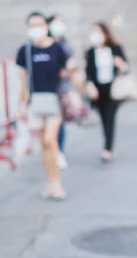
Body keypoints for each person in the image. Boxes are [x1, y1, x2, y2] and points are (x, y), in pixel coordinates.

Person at [16, 11, 68, 200]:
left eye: (38, 24)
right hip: (35, 102)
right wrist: (21, 104)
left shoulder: (57, 48)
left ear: (46, 26)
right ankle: (52, 183)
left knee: (49, 140)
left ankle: (57, 184)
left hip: (54, 101)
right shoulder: (26, 51)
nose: (35, 29)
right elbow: (23, 79)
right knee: (45, 146)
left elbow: (65, 72)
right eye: (31, 25)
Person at [85, 22, 129, 162]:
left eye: (98, 32)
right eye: (93, 32)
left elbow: (126, 68)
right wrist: (89, 84)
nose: (96, 35)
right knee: (103, 118)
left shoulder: (115, 49)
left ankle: (108, 147)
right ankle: (107, 144)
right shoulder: (91, 52)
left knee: (109, 117)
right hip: (97, 90)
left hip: (112, 89)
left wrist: (120, 64)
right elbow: (88, 71)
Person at [47, 14, 75, 170]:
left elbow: (70, 66)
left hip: (62, 88)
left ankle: (59, 151)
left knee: (60, 122)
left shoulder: (66, 45)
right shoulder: (43, 44)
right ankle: (53, 150)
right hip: (46, 90)